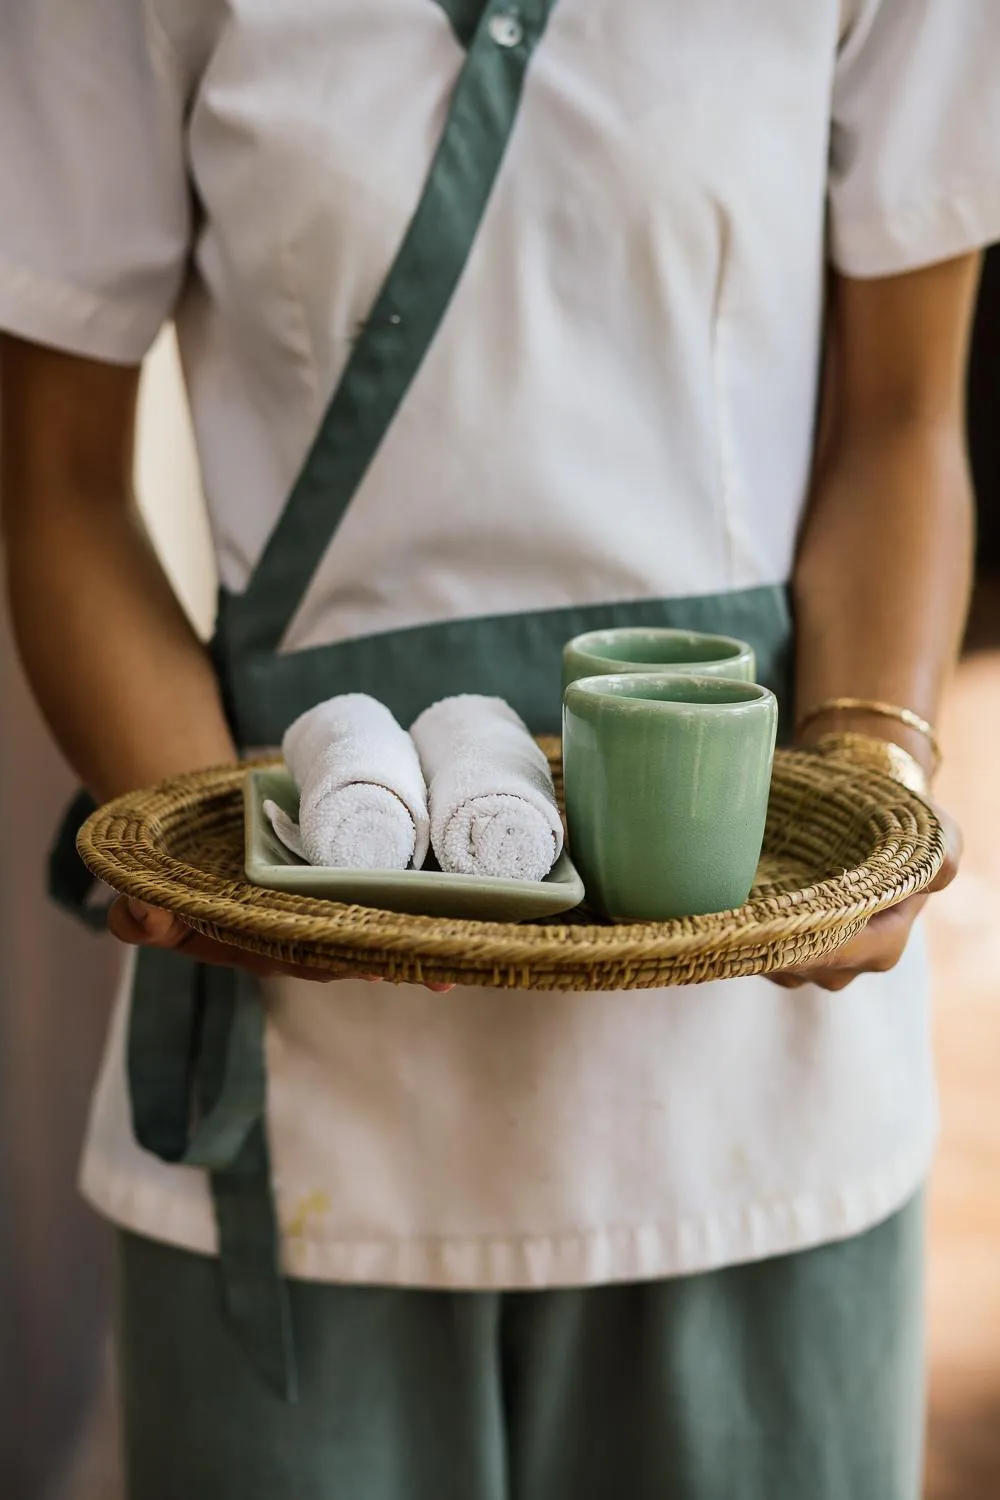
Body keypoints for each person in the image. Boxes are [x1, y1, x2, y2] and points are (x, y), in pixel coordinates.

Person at [0, 2, 996, 1496]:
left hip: (754, 1076)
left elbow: (905, 422)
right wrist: (209, 856)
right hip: (301, 1083)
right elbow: (60, 483)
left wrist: (868, 790)